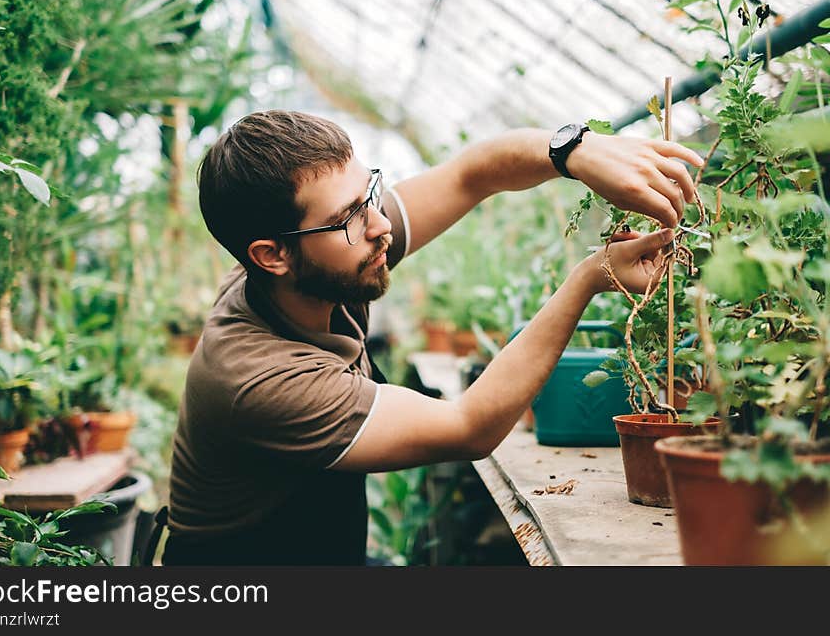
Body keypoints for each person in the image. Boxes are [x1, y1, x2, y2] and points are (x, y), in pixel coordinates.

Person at [159, 110, 703, 565]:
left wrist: (574, 151)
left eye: (368, 192)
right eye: (349, 217)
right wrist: (589, 277)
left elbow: (472, 174)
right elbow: (468, 428)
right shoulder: (258, 377)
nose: (380, 225)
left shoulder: (314, 264)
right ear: (271, 255)